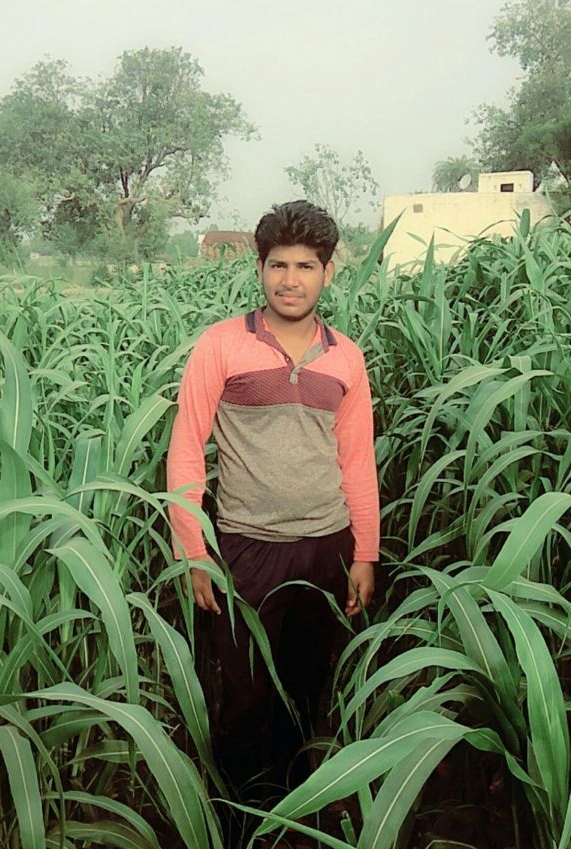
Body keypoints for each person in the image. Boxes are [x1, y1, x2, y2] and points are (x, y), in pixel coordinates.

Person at [166, 199, 379, 805]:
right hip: (246, 549)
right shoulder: (221, 346)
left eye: (306, 266)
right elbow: (187, 449)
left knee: (305, 695)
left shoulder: (346, 358)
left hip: (326, 548)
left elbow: (357, 461)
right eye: (278, 265)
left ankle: (293, 814)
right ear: (259, 269)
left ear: (328, 272)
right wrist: (194, 552)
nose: (291, 280)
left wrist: (365, 552)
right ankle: (237, 819)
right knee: (244, 698)